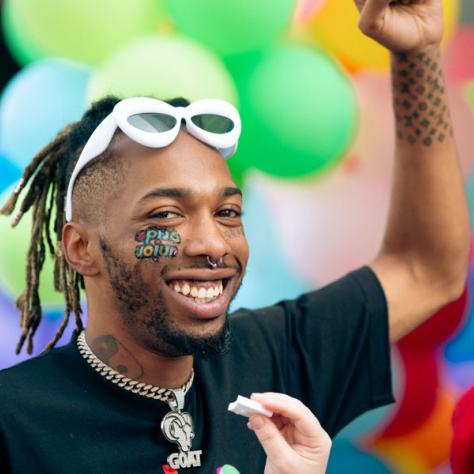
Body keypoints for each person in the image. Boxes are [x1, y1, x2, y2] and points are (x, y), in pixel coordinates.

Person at [0, 0, 468, 472]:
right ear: (80, 248)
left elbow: (426, 268)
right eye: (166, 213)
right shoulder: (15, 423)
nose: (213, 244)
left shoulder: (270, 358)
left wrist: (417, 54)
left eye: (227, 211)